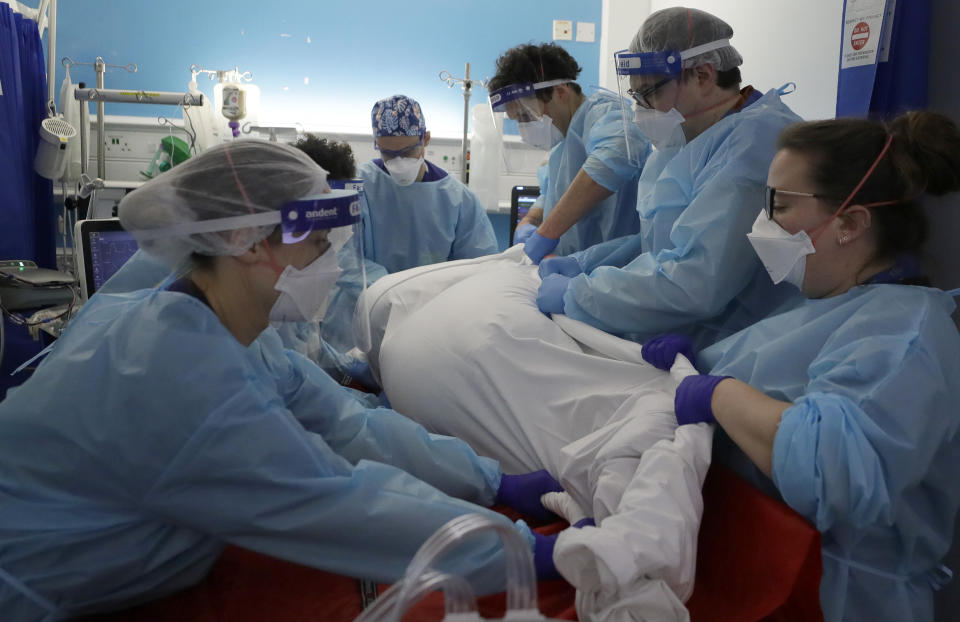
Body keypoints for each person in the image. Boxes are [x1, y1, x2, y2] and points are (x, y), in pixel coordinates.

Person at [0, 141, 569, 620]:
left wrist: (489, 481)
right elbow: (338, 504)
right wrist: (522, 550)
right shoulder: (178, 377)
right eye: (320, 246)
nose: (333, 265)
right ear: (248, 242)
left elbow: (349, 426)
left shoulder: (215, 328)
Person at [641, 111, 960, 622]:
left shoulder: (907, 337)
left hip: (840, 596)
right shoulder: (825, 301)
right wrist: (699, 360)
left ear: (851, 223)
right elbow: (773, 380)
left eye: (779, 206)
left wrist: (718, 394)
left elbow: (832, 470)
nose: (761, 224)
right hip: (752, 569)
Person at [536, 7, 803, 350]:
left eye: (650, 93)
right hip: (688, 330)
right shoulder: (685, 137)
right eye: (636, 96)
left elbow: (696, 280)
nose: (641, 110)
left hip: (740, 343)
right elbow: (663, 241)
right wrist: (586, 263)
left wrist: (580, 295)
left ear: (703, 76)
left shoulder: (754, 147)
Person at [486, 43, 651, 262]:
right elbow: (553, 195)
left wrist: (546, 233)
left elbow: (613, 159)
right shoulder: (561, 149)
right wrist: (529, 223)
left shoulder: (605, 114)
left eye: (526, 117)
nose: (523, 129)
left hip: (617, 270)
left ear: (560, 91)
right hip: (574, 272)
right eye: (517, 121)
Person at [357, 94, 499, 274]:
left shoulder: (457, 199)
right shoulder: (360, 187)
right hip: (374, 297)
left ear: (426, 139)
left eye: (407, 151)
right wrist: (387, 292)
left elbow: (480, 266)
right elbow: (347, 259)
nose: (399, 162)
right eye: (388, 153)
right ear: (376, 144)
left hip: (434, 298)